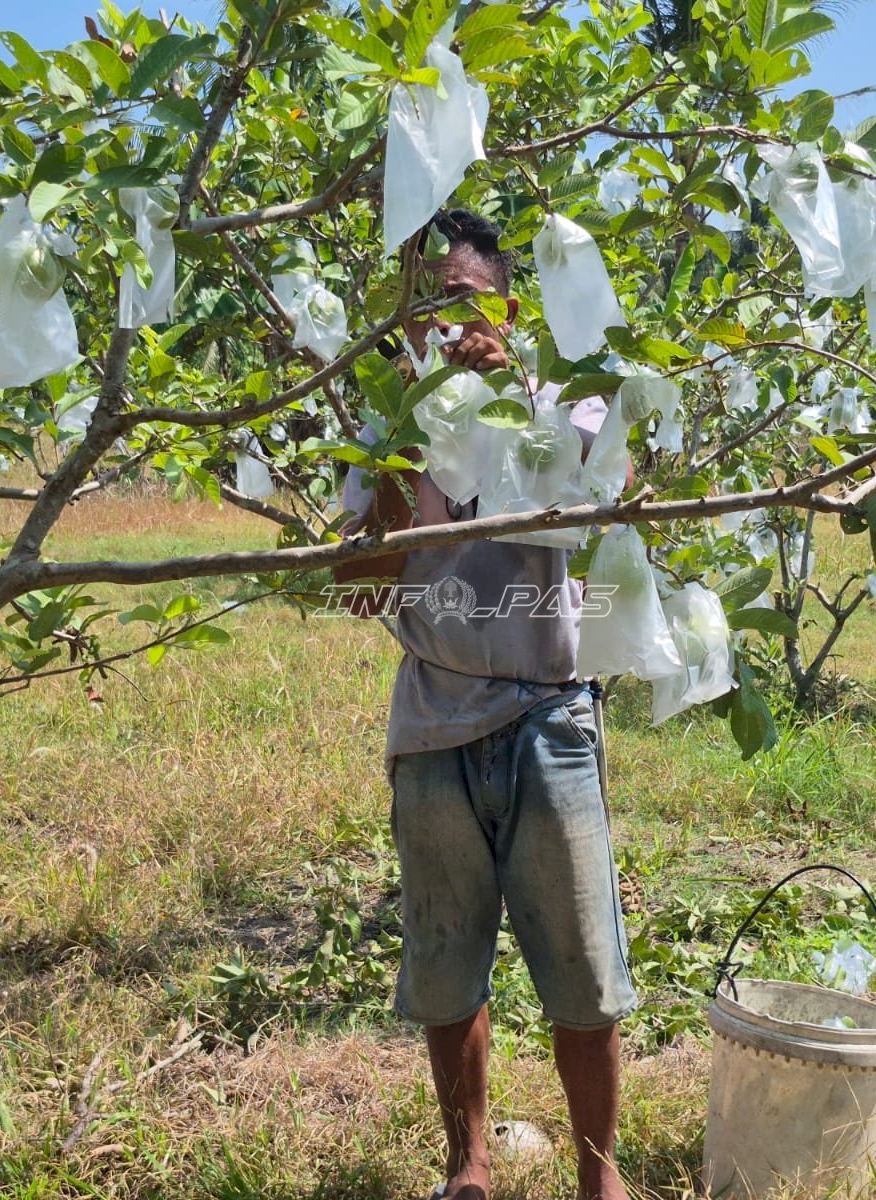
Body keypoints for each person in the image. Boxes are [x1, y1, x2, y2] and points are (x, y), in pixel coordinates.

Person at [335, 209, 635, 1200]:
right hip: (432, 720)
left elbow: (606, 506)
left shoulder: (559, 400)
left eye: (458, 299)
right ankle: (468, 1167)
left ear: (505, 307)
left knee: (583, 975)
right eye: (419, 304)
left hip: (550, 715)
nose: (438, 323)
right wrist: (404, 452)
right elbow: (359, 586)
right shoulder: (384, 431)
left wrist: (511, 399)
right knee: (445, 965)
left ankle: (599, 1179)